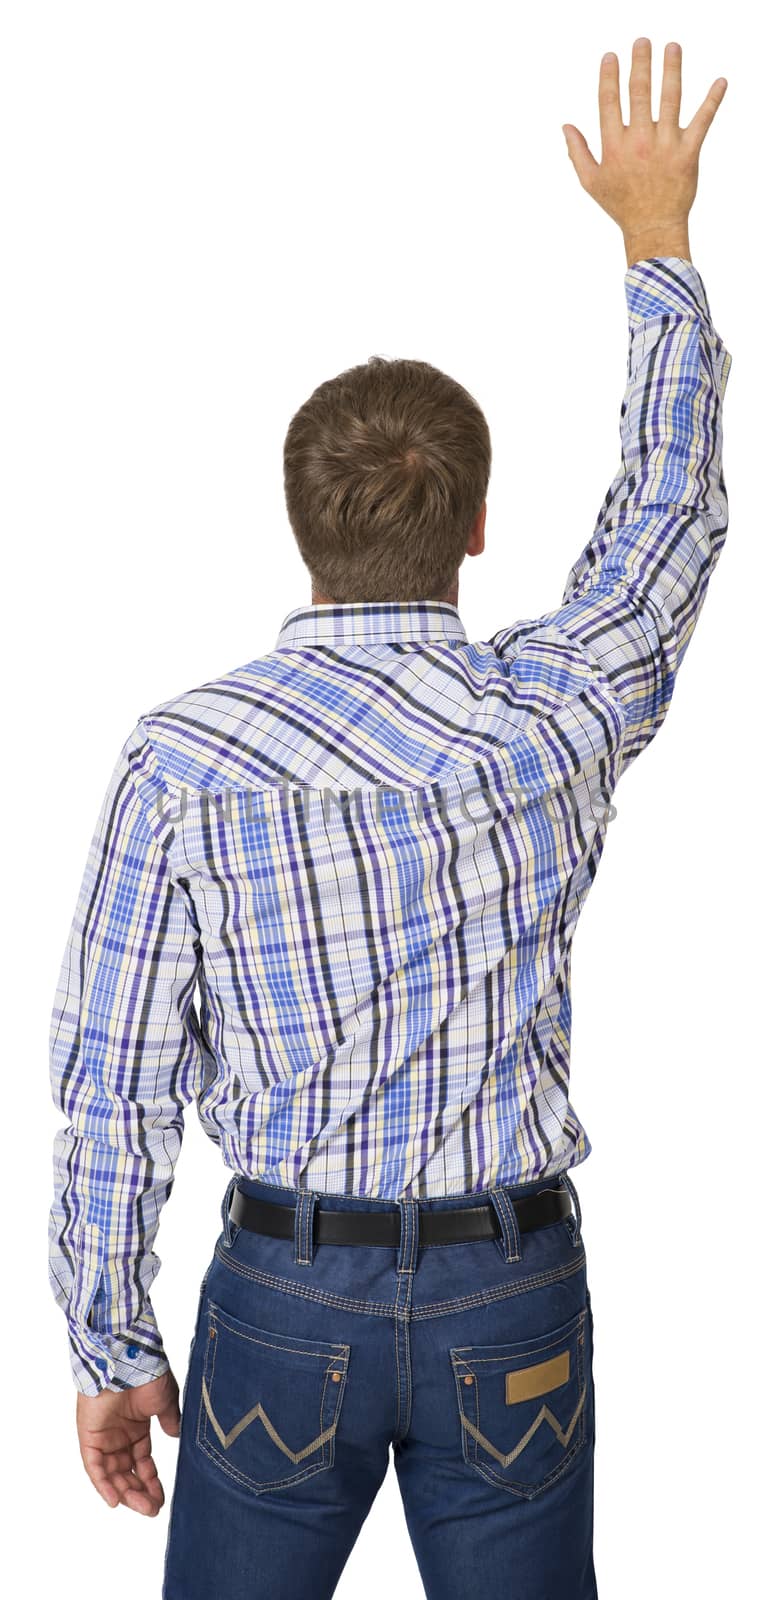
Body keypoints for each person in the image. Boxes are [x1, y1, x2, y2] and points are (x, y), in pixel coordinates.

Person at [47, 37, 731, 1600]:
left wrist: (110, 1340)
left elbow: (117, 1086)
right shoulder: (550, 718)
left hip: (283, 1294)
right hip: (512, 1293)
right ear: (478, 527)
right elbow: (669, 520)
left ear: (300, 530)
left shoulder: (184, 758)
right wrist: (655, 244)